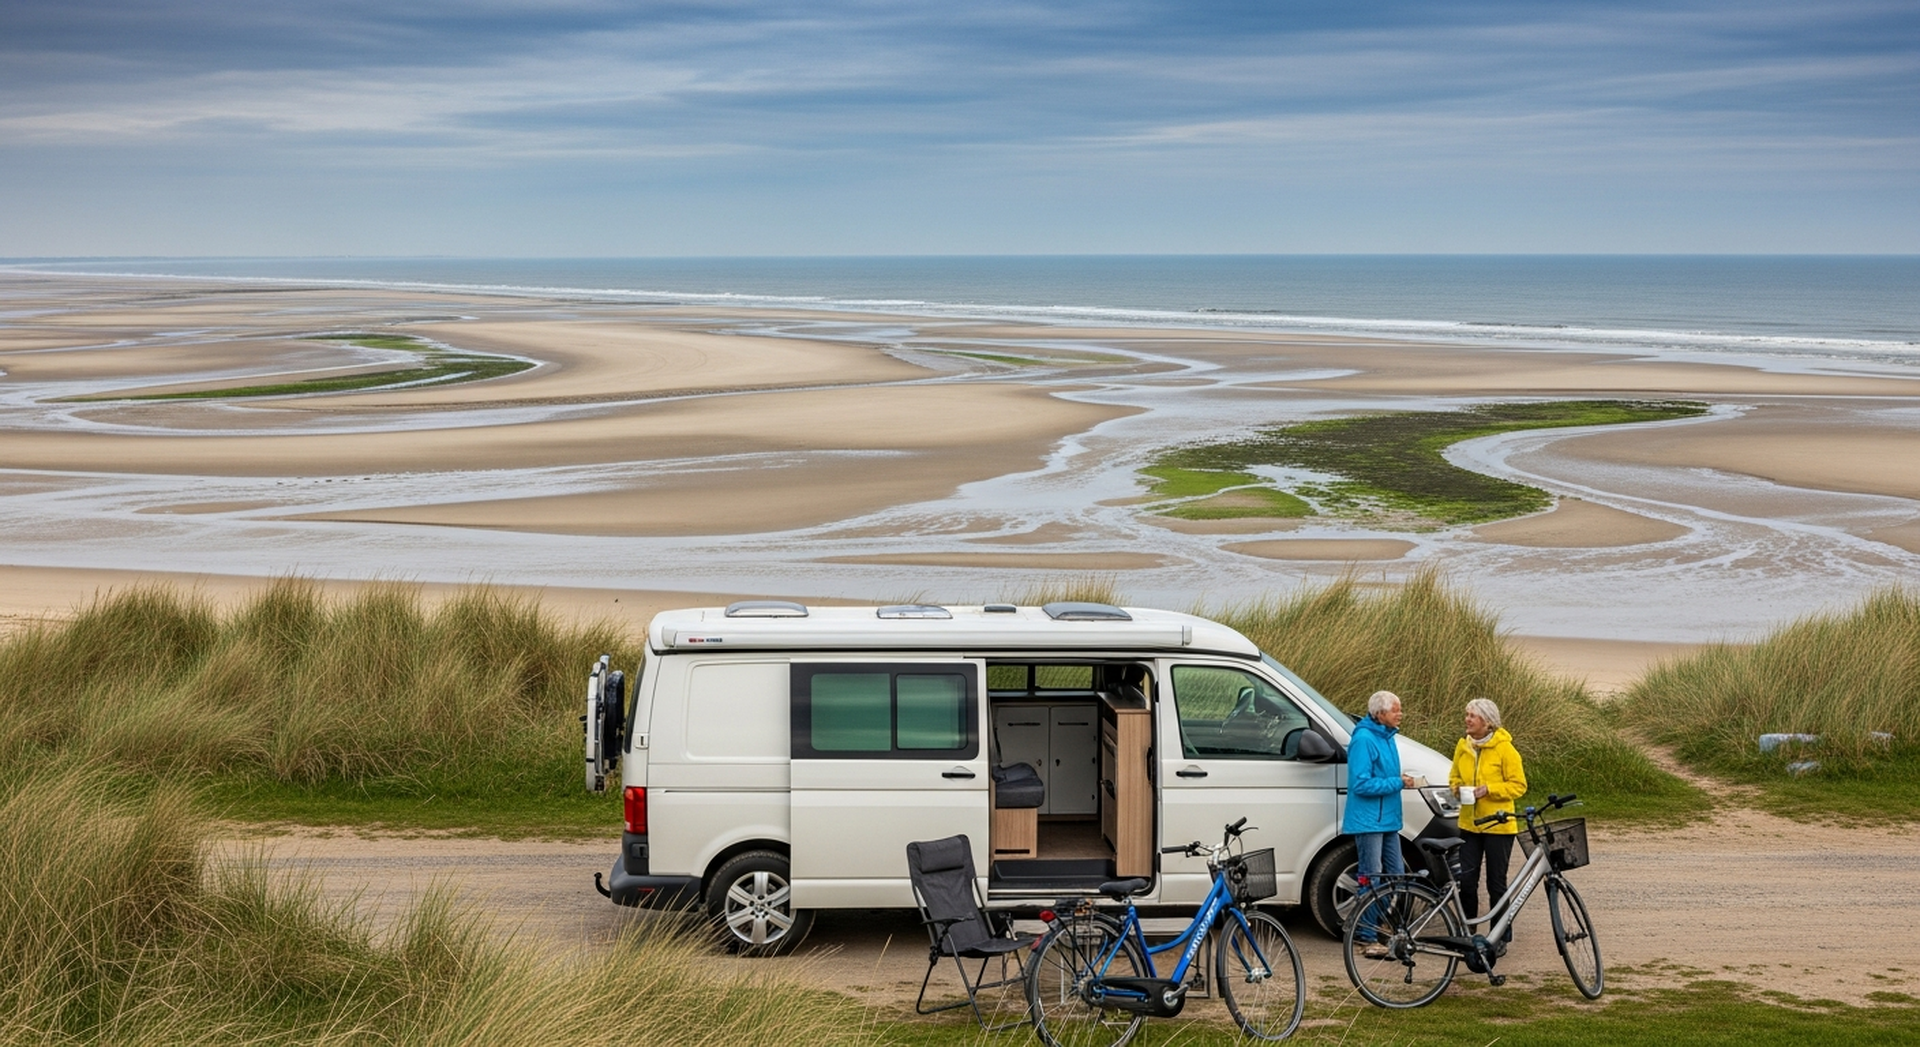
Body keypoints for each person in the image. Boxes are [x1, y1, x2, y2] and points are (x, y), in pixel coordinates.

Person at [1344, 689, 1416, 959]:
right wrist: (1398, 782)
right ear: (1380, 713)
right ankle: (1365, 935)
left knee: (1395, 875)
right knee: (1372, 875)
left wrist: (1398, 779)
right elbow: (1360, 783)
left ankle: (1374, 924)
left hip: (1387, 820)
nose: (1400, 714)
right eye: (1396, 710)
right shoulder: (1363, 739)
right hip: (1368, 821)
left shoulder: (1387, 737)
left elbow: (1381, 776)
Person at [1449, 697, 1527, 940]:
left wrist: (1490, 789)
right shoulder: (1463, 746)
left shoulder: (1505, 749)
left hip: (1498, 826)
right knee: (1467, 880)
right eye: (1467, 714)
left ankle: (1500, 935)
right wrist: (1457, 789)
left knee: (1496, 883)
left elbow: (1518, 786)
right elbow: (1454, 777)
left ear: (1487, 721)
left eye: (1472, 716)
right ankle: (1468, 930)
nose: (1467, 720)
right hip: (1470, 824)